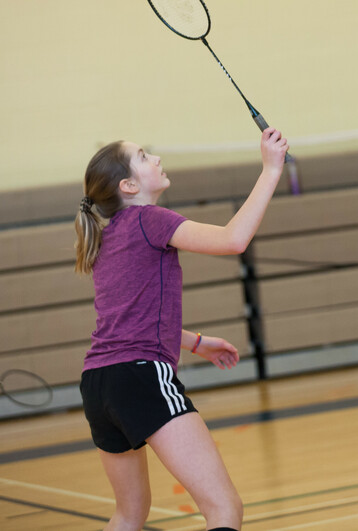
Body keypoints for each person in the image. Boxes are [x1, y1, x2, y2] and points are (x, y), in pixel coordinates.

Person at [74, 128, 289, 531]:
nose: (154, 158)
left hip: (98, 384)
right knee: (224, 509)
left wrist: (197, 343)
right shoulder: (148, 219)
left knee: (128, 515)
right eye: (142, 156)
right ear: (129, 185)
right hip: (140, 378)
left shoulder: (106, 238)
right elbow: (233, 239)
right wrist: (270, 170)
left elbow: (131, 320)